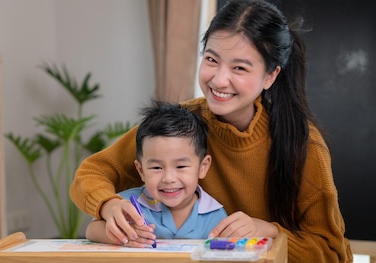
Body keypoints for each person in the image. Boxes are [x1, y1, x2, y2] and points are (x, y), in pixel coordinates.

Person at [70, 0, 353, 261]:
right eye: (211, 60)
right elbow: (92, 173)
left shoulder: (303, 143)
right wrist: (107, 205)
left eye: (240, 67)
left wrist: (268, 231)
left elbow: (333, 252)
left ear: (270, 75)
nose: (219, 79)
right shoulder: (183, 123)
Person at [85, 101, 227, 247]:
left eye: (181, 166)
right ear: (141, 171)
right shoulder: (129, 205)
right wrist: (124, 235)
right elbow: (91, 230)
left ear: (203, 167)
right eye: (157, 168)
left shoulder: (216, 215)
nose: (168, 178)